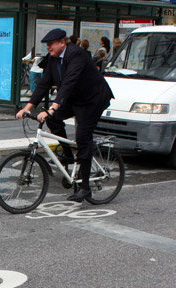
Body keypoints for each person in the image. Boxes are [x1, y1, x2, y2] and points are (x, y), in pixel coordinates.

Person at [16, 28, 113, 203]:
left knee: (83, 137)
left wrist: (52, 108)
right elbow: (44, 84)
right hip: (75, 98)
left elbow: (68, 83)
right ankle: (68, 154)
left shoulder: (77, 55)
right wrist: (28, 107)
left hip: (93, 99)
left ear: (62, 42)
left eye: (51, 44)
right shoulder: (53, 59)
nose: (48, 48)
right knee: (53, 120)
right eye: (46, 45)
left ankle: (85, 188)